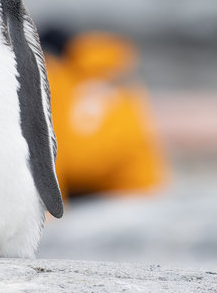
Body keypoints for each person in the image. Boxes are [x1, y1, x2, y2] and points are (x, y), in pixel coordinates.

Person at [41, 28, 166, 199]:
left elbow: (52, 142)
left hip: (82, 179)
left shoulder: (55, 76)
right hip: (135, 182)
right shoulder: (118, 73)